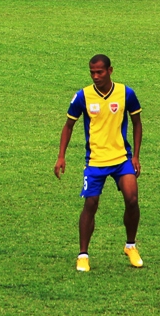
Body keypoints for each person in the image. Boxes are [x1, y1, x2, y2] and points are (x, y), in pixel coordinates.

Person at [55, 54, 143, 272]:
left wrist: (135, 156)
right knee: (91, 204)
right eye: (92, 72)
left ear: (110, 71)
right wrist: (61, 156)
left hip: (121, 158)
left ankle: (130, 246)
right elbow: (68, 126)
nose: (95, 76)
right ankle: (83, 255)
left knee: (132, 199)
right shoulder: (83, 96)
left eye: (99, 72)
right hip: (95, 160)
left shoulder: (126, 93)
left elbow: (137, 123)